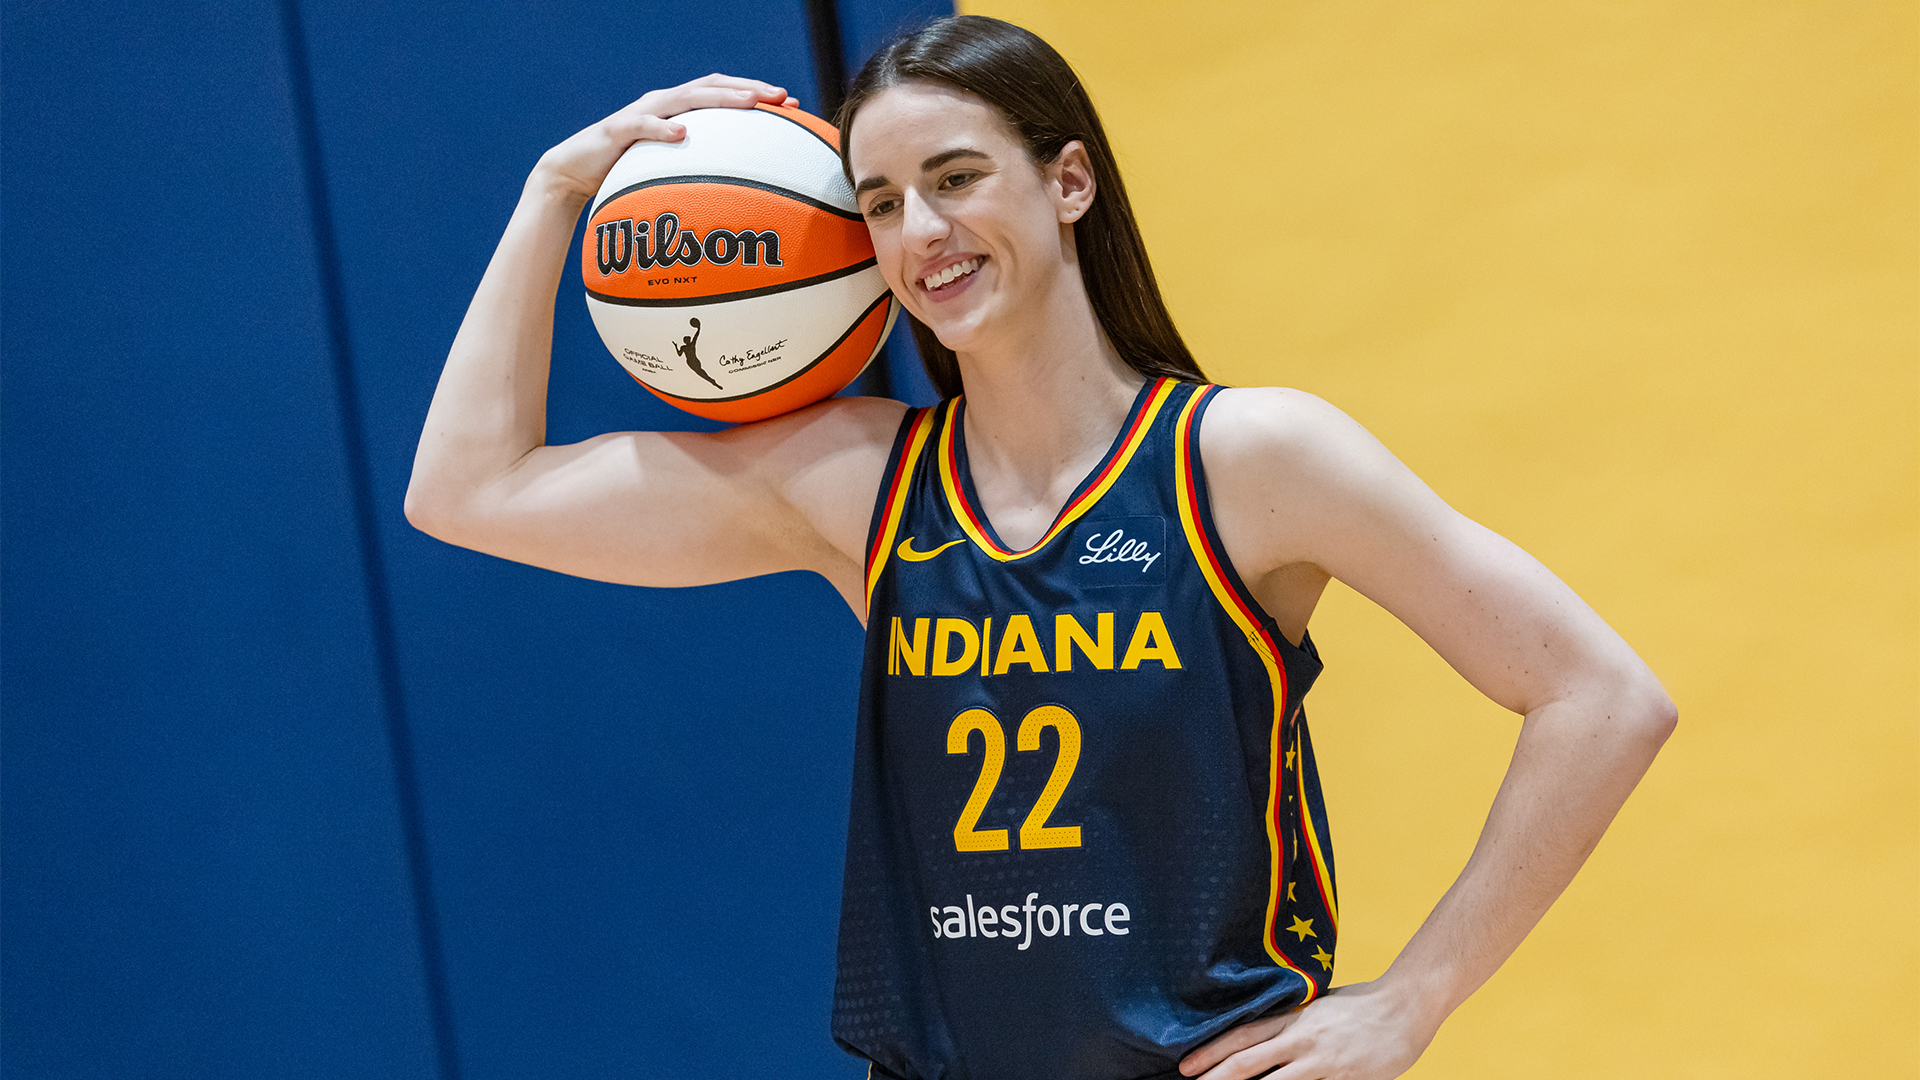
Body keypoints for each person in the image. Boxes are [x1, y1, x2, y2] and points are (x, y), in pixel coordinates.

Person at [405, 15, 1675, 1080]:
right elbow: (470, 489)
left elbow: (1603, 697)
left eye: (956, 178)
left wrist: (1413, 1000)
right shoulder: (856, 482)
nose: (920, 235)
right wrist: (556, 190)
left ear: (1067, 182)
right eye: (882, 204)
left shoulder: (1248, 460)